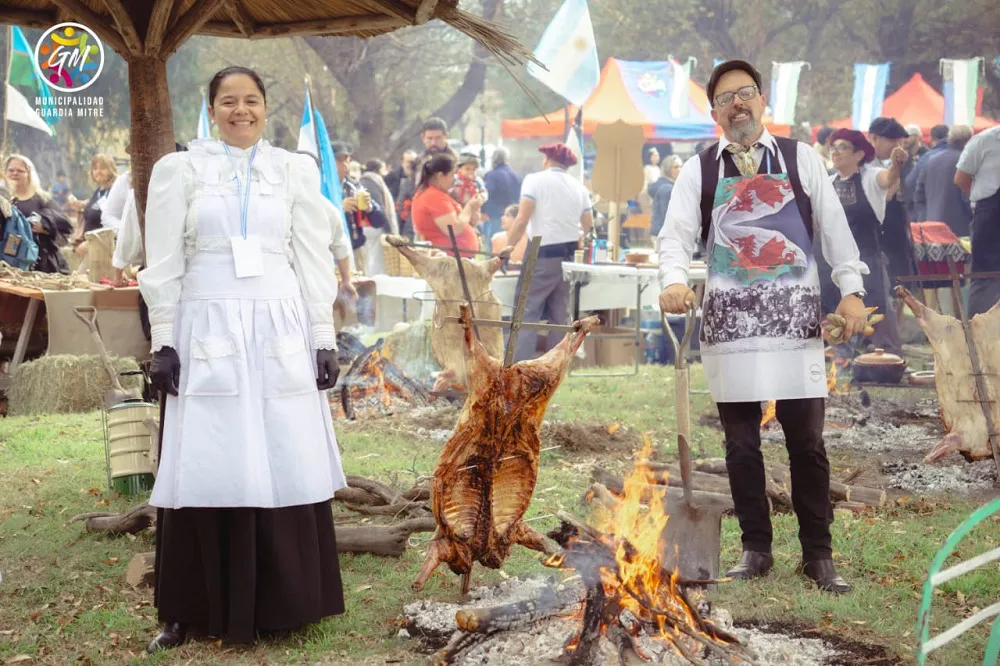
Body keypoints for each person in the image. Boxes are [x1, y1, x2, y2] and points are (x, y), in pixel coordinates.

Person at [138, 66, 346, 651]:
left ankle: (284, 603)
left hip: (279, 323)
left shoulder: (292, 170)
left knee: (281, 450)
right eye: (228, 101)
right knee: (205, 454)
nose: (240, 111)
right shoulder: (180, 170)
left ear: (264, 106)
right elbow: (162, 260)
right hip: (208, 322)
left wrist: (322, 336)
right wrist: (164, 339)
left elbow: (311, 255)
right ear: (211, 108)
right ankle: (186, 608)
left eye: (251, 100)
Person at [658, 60, 870, 594]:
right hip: (729, 330)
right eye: (726, 98)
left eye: (746, 93)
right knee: (741, 446)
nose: (738, 104)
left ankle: (818, 555)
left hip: (795, 324)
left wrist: (850, 290)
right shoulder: (700, 170)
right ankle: (756, 547)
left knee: (808, 442)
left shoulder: (801, 160)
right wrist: (673, 279)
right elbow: (675, 237)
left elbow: (835, 231)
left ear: (762, 100)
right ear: (715, 114)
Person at [505, 143, 593, 361]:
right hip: (569, 256)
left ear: (547, 160)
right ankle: (555, 365)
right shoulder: (578, 187)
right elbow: (588, 224)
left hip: (542, 252)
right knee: (560, 314)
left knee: (526, 311)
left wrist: (507, 249)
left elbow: (522, 218)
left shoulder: (534, 180)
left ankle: (517, 365)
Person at [824, 128, 906, 354]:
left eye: (843, 147)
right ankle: (842, 356)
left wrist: (897, 165)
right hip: (834, 258)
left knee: (876, 305)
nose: (836, 152)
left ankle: (887, 355)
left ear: (859, 154)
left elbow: (888, 178)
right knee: (836, 307)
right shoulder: (828, 183)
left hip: (867, 253)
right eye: (833, 147)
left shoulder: (871, 176)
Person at [955, 125, 1000, 317]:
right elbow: (961, 178)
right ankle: (976, 335)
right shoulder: (984, 141)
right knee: (985, 277)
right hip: (990, 218)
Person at [868, 117, 917, 286]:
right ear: (873, 138)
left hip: (895, 228)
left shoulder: (892, 161)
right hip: (875, 231)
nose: (897, 145)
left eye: (899, 141)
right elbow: (886, 193)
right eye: (891, 140)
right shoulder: (864, 163)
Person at [4, 154, 72, 274]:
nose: (15, 173)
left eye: (20, 171)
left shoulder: (42, 198)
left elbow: (65, 223)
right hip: (6, 261)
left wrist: (45, 225)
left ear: (29, 174)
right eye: (11, 170)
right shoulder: (2, 198)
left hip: (39, 263)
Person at [411, 152, 482, 257]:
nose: (454, 179)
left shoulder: (435, 194)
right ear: (440, 175)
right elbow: (454, 229)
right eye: (452, 175)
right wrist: (470, 207)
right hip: (449, 259)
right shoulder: (433, 196)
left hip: (456, 257)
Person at [397, 118, 457, 238]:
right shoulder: (420, 159)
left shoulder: (456, 160)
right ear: (423, 137)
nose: (433, 142)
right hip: (422, 216)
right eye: (429, 138)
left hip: (449, 217)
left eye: (438, 138)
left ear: (446, 136)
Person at [336, 142, 389, 275]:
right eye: (339, 161)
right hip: (331, 253)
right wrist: (340, 208)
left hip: (355, 249)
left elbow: (380, 221)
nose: (345, 165)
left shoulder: (354, 186)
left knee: (361, 292)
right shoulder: (321, 186)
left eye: (346, 160)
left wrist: (370, 207)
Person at [920, 125, 973, 237]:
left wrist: (924, 218)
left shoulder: (930, 160)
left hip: (932, 226)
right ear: (968, 140)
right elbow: (967, 197)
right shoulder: (966, 161)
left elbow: (919, 193)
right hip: (959, 228)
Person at [72, 154, 118, 258]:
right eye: (95, 168)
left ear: (111, 170)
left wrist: (90, 243)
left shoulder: (115, 191)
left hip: (107, 251)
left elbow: (110, 225)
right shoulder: (97, 192)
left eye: (103, 168)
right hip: (92, 250)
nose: (98, 172)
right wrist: (83, 207)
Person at [911, 124, 951, 222]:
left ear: (931, 138)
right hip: (957, 217)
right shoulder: (962, 155)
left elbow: (910, 182)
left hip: (929, 215)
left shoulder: (927, 157)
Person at [482, 147, 521, 243]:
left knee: (495, 245)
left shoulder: (491, 175)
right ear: (506, 159)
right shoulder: (516, 176)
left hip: (496, 217)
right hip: (514, 217)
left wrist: (483, 211)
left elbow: (486, 194)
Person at [650, 155, 683, 240]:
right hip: (666, 235)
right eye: (675, 167)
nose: (679, 170)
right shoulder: (667, 189)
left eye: (680, 166)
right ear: (667, 169)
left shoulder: (672, 186)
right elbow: (667, 215)